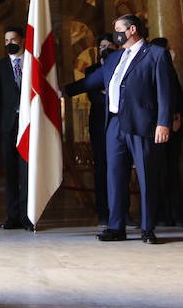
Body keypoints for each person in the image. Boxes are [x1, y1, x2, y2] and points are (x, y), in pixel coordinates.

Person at [65, 15, 175, 244]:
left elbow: (165, 92)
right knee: (114, 175)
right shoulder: (115, 57)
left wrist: (163, 123)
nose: (114, 33)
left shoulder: (155, 54)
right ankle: (116, 227)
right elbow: (91, 81)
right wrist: (61, 91)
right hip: (114, 123)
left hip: (141, 123)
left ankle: (147, 228)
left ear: (132, 29)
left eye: (117, 29)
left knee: (146, 175)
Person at [0, 26, 32, 230]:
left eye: (13, 40)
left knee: (26, 172)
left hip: (29, 125)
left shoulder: (33, 64)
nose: (10, 44)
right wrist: (10, 112)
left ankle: (27, 216)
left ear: (22, 40)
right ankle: (13, 216)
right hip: (7, 126)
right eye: (6, 41)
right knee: (10, 172)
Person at [74, 37, 118, 223]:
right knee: (101, 167)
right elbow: (94, 96)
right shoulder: (91, 70)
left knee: (118, 167)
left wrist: (107, 95)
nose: (105, 49)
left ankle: (121, 212)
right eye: (102, 46)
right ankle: (103, 212)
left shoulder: (120, 65)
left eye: (108, 46)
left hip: (118, 123)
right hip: (99, 123)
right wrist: (112, 98)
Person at [149, 38, 183, 227]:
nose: (172, 52)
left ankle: (174, 214)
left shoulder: (170, 70)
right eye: (169, 49)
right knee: (162, 172)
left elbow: (178, 97)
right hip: (160, 128)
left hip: (173, 128)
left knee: (171, 172)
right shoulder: (157, 69)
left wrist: (178, 116)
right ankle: (164, 214)